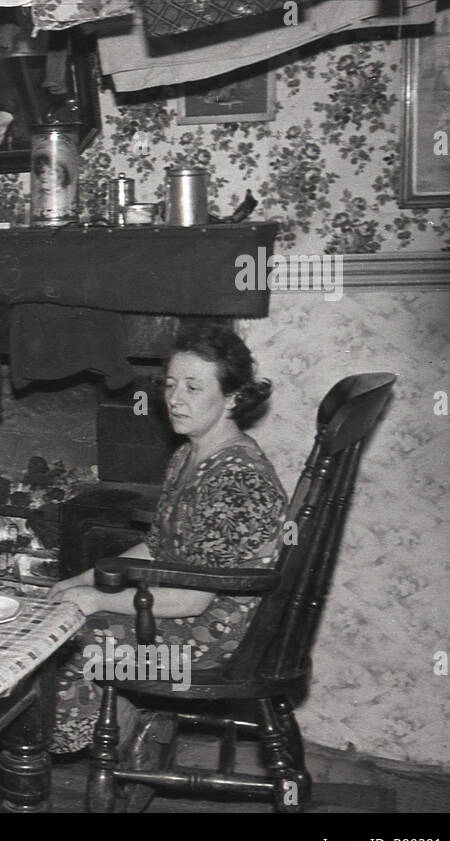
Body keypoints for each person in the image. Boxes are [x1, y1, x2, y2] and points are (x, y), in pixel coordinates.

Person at [45, 325, 287, 794]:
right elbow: (158, 546)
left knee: (77, 646)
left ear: (233, 397)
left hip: (216, 650)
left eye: (194, 387)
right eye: (171, 385)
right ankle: (133, 726)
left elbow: (192, 600)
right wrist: (76, 580)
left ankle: (117, 728)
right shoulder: (188, 455)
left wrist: (93, 601)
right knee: (63, 621)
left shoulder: (237, 478)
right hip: (192, 626)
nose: (176, 398)